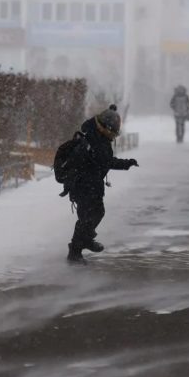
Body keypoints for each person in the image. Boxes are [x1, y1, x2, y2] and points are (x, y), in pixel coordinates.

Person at [65, 104, 139, 264]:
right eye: (114, 130)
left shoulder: (95, 135)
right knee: (88, 217)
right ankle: (75, 251)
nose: (115, 134)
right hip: (84, 185)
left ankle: (84, 240)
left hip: (90, 184)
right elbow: (107, 161)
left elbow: (103, 161)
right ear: (105, 127)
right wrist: (127, 163)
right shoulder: (96, 140)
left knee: (94, 214)